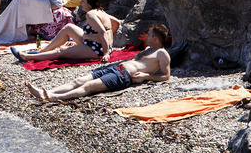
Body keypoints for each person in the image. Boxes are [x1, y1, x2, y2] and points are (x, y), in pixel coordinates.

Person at [26, 23, 172, 102]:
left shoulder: (162, 53)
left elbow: (166, 76)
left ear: (155, 39)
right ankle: (47, 92)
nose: (146, 36)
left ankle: (53, 97)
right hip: (116, 67)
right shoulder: (146, 49)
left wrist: (146, 76)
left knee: (88, 86)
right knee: (79, 79)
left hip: (125, 75)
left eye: (149, 34)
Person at [10, 0, 117, 62]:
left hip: (96, 50)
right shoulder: (101, 12)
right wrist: (109, 40)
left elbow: (102, 31)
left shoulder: (91, 14)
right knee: (69, 27)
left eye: (83, 1)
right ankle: (42, 52)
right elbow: (116, 23)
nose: (80, 3)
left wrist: (106, 52)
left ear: (89, 3)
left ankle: (26, 57)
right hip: (97, 44)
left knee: (61, 51)